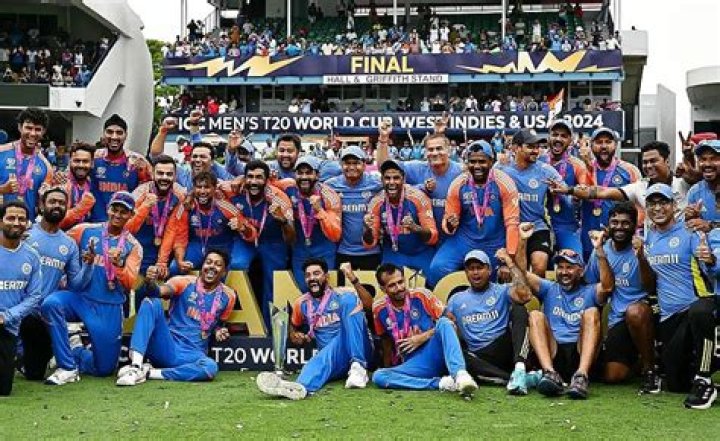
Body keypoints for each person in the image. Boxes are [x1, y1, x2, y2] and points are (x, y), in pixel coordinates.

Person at [42, 192, 143, 384]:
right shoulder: (85, 230)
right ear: (108, 209)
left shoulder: (133, 246)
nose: (117, 215)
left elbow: (130, 283)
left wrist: (119, 265)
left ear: (131, 215)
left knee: (103, 369)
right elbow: (59, 242)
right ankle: (67, 366)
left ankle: (75, 349)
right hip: (80, 298)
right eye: (114, 209)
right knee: (51, 304)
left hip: (108, 306)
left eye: (123, 212)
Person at [639, 183, 717, 409]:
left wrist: (710, 259)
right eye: (652, 203)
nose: (657, 208)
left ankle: (705, 380)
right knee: (676, 383)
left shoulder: (690, 232)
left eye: (663, 202)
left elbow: (709, 269)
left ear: (674, 206)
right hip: (668, 317)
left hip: (694, 308)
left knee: (700, 313)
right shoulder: (649, 238)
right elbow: (650, 283)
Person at [256, 258, 373, 399]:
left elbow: (368, 305)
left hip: (360, 349)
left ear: (326, 276)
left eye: (316, 273)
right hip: (334, 360)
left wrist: (353, 279)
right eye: (308, 275)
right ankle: (300, 388)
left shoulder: (342, 294)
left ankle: (359, 366)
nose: (312, 278)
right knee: (323, 355)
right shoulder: (302, 303)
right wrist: (294, 334)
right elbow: (292, 326)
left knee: (348, 299)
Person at [518, 222, 611, 399]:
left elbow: (607, 287)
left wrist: (599, 250)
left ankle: (581, 377)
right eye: (560, 267)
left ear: (580, 271)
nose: (564, 272)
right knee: (535, 315)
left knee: (591, 312)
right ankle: (550, 374)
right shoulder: (549, 288)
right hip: (554, 352)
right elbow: (521, 273)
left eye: (569, 267)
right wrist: (523, 241)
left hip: (581, 352)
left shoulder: (590, 290)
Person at [116, 250, 236, 386]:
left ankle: (149, 373)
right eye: (208, 262)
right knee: (151, 302)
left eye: (218, 264)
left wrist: (219, 330)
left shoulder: (229, 296)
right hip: (168, 345)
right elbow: (157, 292)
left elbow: (218, 323)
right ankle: (135, 367)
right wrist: (150, 282)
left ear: (224, 272)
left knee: (210, 367)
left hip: (193, 353)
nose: (212, 267)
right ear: (202, 266)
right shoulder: (184, 282)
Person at [370, 263, 479, 397]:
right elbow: (386, 342)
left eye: (401, 282)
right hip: (414, 363)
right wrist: (390, 368)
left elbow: (452, 323)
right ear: (382, 288)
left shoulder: (421, 295)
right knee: (379, 376)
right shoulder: (379, 308)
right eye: (392, 285)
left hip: (435, 352)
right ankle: (442, 384)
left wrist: (422, 337)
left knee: (444, 322)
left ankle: (460, 375)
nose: (399, 288)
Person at [585, 202, 660, 392]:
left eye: (626, 223)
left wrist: (641, 257)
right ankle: (640, 359)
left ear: (634, 226)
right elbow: (591, 286)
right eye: (615, 222)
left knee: (635, 312)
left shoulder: (644, 247)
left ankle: (650, 369)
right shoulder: (600, 249)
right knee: (613, 376)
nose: (620, 227)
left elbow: (651, 287)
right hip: (617, 317)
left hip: (645, 311)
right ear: (608, 224)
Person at [446, 249, 540, 395]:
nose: (475, 272)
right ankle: (517, 379)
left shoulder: (502, 290)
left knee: (519, 309)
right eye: (471, 269)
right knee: (458, 357)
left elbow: (526, 296)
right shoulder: (456, 299)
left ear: (489, 270)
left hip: (505, 347)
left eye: (480, 268)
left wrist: (510, 263)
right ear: (466, 272)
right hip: (478, 356)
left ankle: (520, 368)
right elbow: (444, 327)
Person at [21, 188, 92, 381]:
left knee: (34, 374)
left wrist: (88, 265)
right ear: (41, 205)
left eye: (61, 203)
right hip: (14, 308)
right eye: (52, 201)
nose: (57, 206)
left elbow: (76, 284)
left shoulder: (69, 244)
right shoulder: (26, 234)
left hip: (39, 317)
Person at [427, 140, 519, 286]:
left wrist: (509, 258)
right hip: (464, 240)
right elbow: (448, 221)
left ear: (491, 162)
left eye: (482, 161)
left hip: (495, 242)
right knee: (437, 268)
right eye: (472, 161)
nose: (476, 166)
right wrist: (450, 224)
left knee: (498, 278)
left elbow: (512, 224)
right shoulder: (458, 183)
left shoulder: (504, 183)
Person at [550, 140, 688, 236]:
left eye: (653, 161)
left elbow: (697, 176)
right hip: (654, 251)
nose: (648, 166)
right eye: (645, 162)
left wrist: (689, 157)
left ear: (667, 161)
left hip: (682, 248)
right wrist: (568, 190)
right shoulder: (640, 188)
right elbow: (602, 192)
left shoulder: (684, 184)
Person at [226, 161, 294, 328]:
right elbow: (211, 187)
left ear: (267, 180)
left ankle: (271, 327)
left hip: (272, 242)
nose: (254, 181)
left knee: (274, 281)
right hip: (245, 240)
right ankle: (234, 320)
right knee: (236, 265)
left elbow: (292, 237)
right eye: (250, 177)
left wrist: (282, 220)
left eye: (259, 177)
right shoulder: (235, 189)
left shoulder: (279, 198)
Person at [376, 116, 463, 242]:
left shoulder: (461, 171)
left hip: (454, 238)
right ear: (425, 152)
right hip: (425, 238)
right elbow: (384, 167)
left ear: (449, 150)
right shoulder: (416, 168)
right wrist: (383, 138)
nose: (435, 153)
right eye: (430, 150)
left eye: (439, 149)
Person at [498, 129, 563, 277]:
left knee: (539, 265)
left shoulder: (545, 171)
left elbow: (564, 189)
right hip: (510, 229)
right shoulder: (501, 168)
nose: (536, 151)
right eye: (530, 147)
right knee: (510, 273)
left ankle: (537, 293)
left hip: (536, 227)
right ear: (516, 148)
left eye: (537, 147)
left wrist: (560, 191)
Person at [166, 171, 256, 275]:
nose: (202, 191)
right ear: (193, 188)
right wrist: (180, 260)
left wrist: (243, 227)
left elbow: (252, 234)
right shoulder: (186, 207)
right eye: (199, 187)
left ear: (214, 188)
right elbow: (180, 238)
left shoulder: (226, 207)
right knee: (175, 268)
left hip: (223, 246)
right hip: (197, 246)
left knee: (227, 270)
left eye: (207, 187)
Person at [126, 155, 186, 308]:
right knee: (139, 289)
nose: (164, 178)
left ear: (175, 176)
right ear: (152, 174)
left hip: (165, 250)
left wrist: (162, 261)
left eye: (169, 174)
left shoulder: (180, 195)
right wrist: (145, 207)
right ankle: (132, 319)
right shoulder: (140, 193)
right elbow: (128, 228)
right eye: (160, 173)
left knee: (163, 294)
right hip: (141, 249)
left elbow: (174, 230)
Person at [274, 156, 341, 291]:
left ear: (317, 175)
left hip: (324, 249)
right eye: (300, 173)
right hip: (299, 250)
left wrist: (320, 211)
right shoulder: (287, 187)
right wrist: (240, 179)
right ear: (294, 174)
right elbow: (265, 185)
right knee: (303, 289)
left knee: (325, 289)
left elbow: (335, 235)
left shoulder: (329, 195)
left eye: (309, 173)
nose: (304, 177)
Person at [364, 160, 438, 277]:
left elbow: (433, 237)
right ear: (382, 180)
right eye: (387, 178)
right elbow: (369, 244)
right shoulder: (376, 202)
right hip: (394, 253)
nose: (391, 182)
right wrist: (367, 229)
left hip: (422, 252)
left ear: (403, 179)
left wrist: (415, 228)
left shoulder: (419, 198)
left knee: (433, 278)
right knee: (386, 280)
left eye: (396, 178)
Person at [0, 201, 43, 395]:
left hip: (7, 326)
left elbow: (34, 296)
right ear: (1, 221)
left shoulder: (31, 256)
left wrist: (7, 316)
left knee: (3, 389)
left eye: (21, 219)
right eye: (11, 218)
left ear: (27, 223)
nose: (16, 222)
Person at [326, 146, 383, 275]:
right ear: (341, 165)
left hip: (371, 251)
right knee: (343, 287)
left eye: (356, 163)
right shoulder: (331, 185)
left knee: (371, 287)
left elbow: (399, 186)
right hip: (344, 251)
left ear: (364, 164)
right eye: (347, 163)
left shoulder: (376, 184)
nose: (351, 167)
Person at [90, 114, 152, 221]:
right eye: (110, 132)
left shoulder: (137, 162)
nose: (114, 137)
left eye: (119, 133)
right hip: (96, 224)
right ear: (103, 134)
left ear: (126, 135)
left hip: (126, 225)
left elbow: (151, 189)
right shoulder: (93, 158)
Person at [0, 108, 54, 219]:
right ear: (20, 127)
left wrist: (43, 198)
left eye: (38, 129)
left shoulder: (46, 166)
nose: (33, 133)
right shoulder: (2, 153)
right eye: (28, 128)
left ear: (43, 131)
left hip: (28, 225)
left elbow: (42, 207)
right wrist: (3, 189)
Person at [546, 120, 591, 252]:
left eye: (564, 136)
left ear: (571, 140)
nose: (558, 139)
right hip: (540, 225)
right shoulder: (538, 161)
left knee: (575, 259)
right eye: (555, 134)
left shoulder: (577, 165)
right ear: (549, 137)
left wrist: (571, 193)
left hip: (567, 226)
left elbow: (586, 192)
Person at [268, 133, 341, 182]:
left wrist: (312, 177)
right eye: (281, 150)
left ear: (298, 152)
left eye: (290, 151)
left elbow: (338, 168)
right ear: (276, 151)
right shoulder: (270, 168)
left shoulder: (309, 162)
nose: (285, 155)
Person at [58, 143, 96, 229]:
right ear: (69, 161)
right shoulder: (61, 183)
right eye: (77, 161)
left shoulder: (93, 184)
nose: (81, 165)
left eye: (85, 161)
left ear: (92, 163)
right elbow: (56, 222)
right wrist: (81, 209)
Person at [685, 140, 720, 231]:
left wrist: (711, 226)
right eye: (703, 159)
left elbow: (708, 226)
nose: (707, 164)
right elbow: (689, 230)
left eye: (714, 159)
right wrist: (690, 218)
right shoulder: (694, 192)